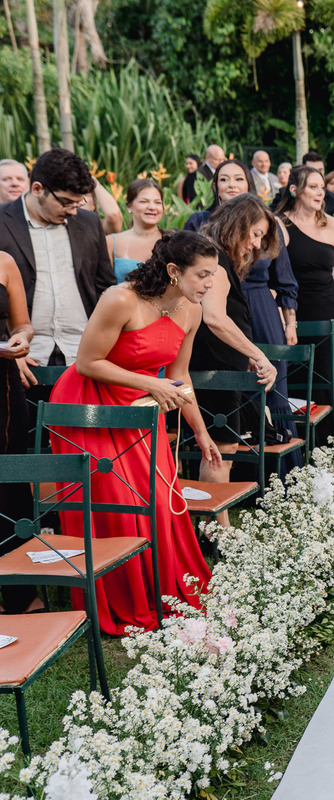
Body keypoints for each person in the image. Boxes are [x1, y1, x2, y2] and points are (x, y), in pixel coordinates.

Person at [47, 231, 220, 634]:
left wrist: (200, 429)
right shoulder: (120, 299)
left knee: (159, 501)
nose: (210, 284)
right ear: (174, 271)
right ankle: (120, 597)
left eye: (214, 274)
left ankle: (162, 590)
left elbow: (179, 378)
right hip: (88, 411)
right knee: (116, 505)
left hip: (141, 410)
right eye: (204, 275)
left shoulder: (190, 311)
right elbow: (88, 362)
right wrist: (151, 385)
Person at [192, 194, 280, 526]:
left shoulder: (217, 256)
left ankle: (218, 525)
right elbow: (214, 317)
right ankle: (217, 529)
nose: (257, 244)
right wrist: (257, 355)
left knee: (223, 449)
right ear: (238, 224)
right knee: (219, 450)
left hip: (223, 366)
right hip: (214, 370)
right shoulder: (214, 259)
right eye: (255, 234)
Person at [0, 147, 114, 385]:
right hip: (23, 357)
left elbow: (106, 288)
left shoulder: (89, 222)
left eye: (78, 203)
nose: (73, 210)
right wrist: (5, 349)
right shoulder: (3, 221)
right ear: (37, 189)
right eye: (65, 202)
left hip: (83, 356)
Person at [277, 165, 334, 434]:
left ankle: (325, 440)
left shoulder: (332, 224)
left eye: (322, 187)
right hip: (292, 309)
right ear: (294, 190)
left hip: (325, 307)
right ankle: (295, 437)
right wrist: (286, 318)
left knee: (323, 373)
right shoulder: (279, 224)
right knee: (294, 374)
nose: (321, 192)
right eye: (313, 187)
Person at [0, 249, 40, 614]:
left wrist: (21, 339)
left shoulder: (5, 261)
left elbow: (23, 323)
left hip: (4, 387)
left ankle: (20, 592)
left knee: (11, 482)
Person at [107, 180, 164, 283]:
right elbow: (102, 286)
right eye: (144, 201)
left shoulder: (172, 242)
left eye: (157, 202)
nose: (152, 207)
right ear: (129, 206)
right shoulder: (111, 242)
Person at [185, 159, 256, 232]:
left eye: (239, 179)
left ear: (248, 184)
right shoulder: (198, 221)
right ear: (215, 187)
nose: (232, 185)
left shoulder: (259, 221)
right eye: (224, 179)